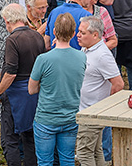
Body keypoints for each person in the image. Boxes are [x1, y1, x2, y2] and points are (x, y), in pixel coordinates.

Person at [29, 12, 86, 166]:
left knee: (45, 162)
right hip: (70, 116)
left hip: (46, 118)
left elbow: (32, 89)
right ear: (74, 33)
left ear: (54, 31)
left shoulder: (43, 59)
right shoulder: (82, 57)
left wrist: (47, 84)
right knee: (67, 159)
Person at [0, 3, 44, 166]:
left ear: (7, 20)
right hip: (34, 92)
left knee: (10, 139)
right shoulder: (37, 36)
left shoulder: (12, 40)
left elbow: (10, 72)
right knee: (30, 138)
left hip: (15, 95)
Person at [75, 16, 124, 166]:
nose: (78, 34)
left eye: (82, 32)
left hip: (92, 112)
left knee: (83, 153)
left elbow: (118, 83)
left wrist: (104, 106)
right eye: (79, 31)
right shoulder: (87, 48)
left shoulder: (102, 55)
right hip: (86, 110)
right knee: (96, 151)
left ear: (95, 35)